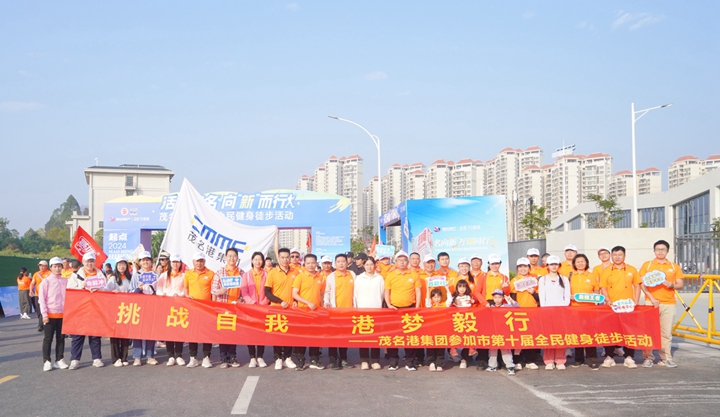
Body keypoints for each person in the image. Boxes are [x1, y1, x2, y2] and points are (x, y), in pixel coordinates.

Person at [639, 239, 683, 368]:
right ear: (654, 251)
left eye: (663, 249)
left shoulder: (674, 266)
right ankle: (648, 357)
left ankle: (665, 358)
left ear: (667, 251)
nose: (660, 252)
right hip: (651, 303)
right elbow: (642, 284)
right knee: (649, 331)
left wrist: (672, 285)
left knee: (666, 333)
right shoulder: (647, 265)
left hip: (669, 303)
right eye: (657, 249)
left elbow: (680, 284)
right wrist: (652, 298)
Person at [599, 246, 641, 369]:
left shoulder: (631, 269)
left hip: (628, 307)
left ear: (624, 256)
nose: (617, 257)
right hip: (612, 307)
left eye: (620, 255)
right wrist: (607, 300)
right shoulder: (606, 271)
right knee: (610, 332)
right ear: (611, 256)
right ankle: (609, 357)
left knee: (629, 332)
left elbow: (637, 286)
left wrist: (636, 300)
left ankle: (629, 357)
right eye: (615, 255)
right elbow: (603, 287)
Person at [67, 252, 107, 369]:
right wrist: (82, 287)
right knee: (78, 335)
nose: (90, 263)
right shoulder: (76, 275)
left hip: (95, 308)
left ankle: (97, 358)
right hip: (80, 309)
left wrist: (98, 289)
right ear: (83, 262)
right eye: (87, 261)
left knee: (95, 335)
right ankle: (75, 359)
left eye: (92, 261)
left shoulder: (100, 274)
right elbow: (70, 290)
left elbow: (106, 288)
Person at [384, 251, 421, 371]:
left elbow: (418, 291)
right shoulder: (390, 275)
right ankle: (393, 362)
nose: (402, 262)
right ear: (395, 262)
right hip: (394, 309)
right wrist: (389, 305)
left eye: (404, 260)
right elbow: (387, 291)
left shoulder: (414, 274)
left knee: (410, 335)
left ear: (408, 262)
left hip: (410, 308)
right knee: (393, 335)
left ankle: (409, 362)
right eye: (399, 260)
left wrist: (417, 307)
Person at [265, 248, 300, 370]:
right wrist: (280, 301)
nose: (285, 260)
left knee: (289, 334)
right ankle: (278, 358)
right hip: (276, 308)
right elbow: (267, 292)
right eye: (282, 257)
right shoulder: (272, 273)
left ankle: (288, 358)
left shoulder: (296, 272)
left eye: (287, 257)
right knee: (277, 334)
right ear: (278, 258)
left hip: (291, 309)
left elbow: (298, 290)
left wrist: (295, 301)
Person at [292, 254, 326, 371]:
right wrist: (307, 302)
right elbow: (294, 294)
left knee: (315, 337)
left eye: (313, 263)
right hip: (302, 311)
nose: (311, 265)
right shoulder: (300, 276)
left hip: (316, 312)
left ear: (316, 263)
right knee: (301, 337)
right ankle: (300, 361)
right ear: (304, 264)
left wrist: (322, 307)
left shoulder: (321, 277)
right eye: (308, 263)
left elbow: (321, 294)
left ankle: (314, 359)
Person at [212, 248, 244, 369]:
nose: (232, 258)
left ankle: (232, 357)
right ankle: (223, 358)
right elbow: (213, 289)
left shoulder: (241, 273)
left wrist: (240, 301)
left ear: (237, 258)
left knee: (233, 333)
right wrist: (220, 291)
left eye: (234, 256)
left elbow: (244, 291)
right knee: (223, 333)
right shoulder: (220, 272)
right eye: (229, 256)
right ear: (225, 257)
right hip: (223, 307)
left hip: (235, 308)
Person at [324, 253, 356, 370]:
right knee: (333, 336)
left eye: (343, 261)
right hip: (335, 312)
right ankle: (332, 360)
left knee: (344, 337)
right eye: (338, 262)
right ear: (335, 264)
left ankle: (343, 359)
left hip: (348, 312)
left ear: (347, 263)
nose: (341, 264)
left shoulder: (352, 274)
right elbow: (327, 291)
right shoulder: (331, 277)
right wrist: (326, 302)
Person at [538, 255, 570, 370]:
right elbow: (542, 297)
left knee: (560, 335)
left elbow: (567, 296)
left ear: (559, 265)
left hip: (561, 311)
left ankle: (560, 360)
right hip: (547, 311)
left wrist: (563, 307)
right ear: (547, 266)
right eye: (551, 264)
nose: (554, 266)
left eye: (556, 264)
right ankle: (549, 360)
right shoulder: (543, 280)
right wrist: (545, 310)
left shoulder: (564, 279)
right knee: (548, 335)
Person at [128, 251, 160, 366]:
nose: (146, 262)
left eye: (147, 260)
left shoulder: (156, 275)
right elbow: (130, 291)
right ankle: (137, 357)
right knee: (138, 331)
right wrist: (138, 289)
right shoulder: (136, 275)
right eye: (143, 260)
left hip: (152, 306)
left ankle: (150, 356)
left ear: (151, 262)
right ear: (140, 262)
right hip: (139, 307)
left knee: (151, 331)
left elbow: (160, 291)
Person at [184, 251, 215, 368]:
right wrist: (187, 295)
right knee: (193, 333)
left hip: (206, 309)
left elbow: (213, 291)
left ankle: (206, 357)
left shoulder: (210, 273)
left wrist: (213, 305)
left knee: (207, 333)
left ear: (204, 262)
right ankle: (193, 358)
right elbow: (186, 288)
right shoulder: (188, 274)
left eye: (201, 261)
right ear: (193, 262)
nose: (199, 263)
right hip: (193, 308)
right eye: (197, 261)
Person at [569, 253, 600, 369]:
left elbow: (596, 291)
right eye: (578, 262)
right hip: (575, 309)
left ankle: (592, 359)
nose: (580, 263)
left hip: (589, 310)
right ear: (574, 264)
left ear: (586, 262)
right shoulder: (571, 276)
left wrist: (595, 298)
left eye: (582, 261)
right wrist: (570, 296)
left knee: (589, 334)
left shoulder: (592, 276)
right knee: (577, 334)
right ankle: (578, 359)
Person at [353, 256, 385, 370]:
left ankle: (375, 360)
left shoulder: (379, 278)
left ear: (374, 266)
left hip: (376, 310)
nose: (369, 267)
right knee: (364, 337)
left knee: (375, 336)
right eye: (367, 265)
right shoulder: (359, 278)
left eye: (371, 264)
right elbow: (355, 294)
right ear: (364, 266)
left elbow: (382, 294)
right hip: (362, 310)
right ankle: (364, 360)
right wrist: (356, 308)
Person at [155, 254, 186, 366]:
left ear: (180, 264)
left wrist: (180, 295)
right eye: (173, 262)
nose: (175, 264)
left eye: (177, 262)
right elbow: (158, 290)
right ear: (170, 263)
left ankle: (179, 355)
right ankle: (170, 356)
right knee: (168, 332)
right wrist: (162, 294)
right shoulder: (163, 276)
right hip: (167, 307)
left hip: (179, 307)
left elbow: (186, 291)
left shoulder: (184, 276)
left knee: (178, 331)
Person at [39, 257, 69, 371]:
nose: (57, 269)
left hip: (62, 314)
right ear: (51, 268)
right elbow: (42, 299)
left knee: (61, 338)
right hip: (50, 314)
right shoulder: (46, 281)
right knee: (48, 339)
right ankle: (46, 361)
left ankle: (59, 359)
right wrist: (44, 314)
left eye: (59, 266)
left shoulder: (65, 281)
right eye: (55, 266)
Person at [510, 257, 540, 370]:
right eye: (520, 267)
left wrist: (533, 292)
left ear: (529, 267)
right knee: (518, 337)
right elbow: (513, 298)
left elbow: (540, 297)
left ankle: (530, 360)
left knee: (530, 337)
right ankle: (517, 360)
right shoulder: (514, 281)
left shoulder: (534, 279)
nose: (523, 269)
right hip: (519, 313)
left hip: (533, 311)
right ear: (517, 268)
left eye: (525, 266)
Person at [241, 252, 269, 368]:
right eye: (256, 259)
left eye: (260, 259)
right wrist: (252, 303)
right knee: (251, 333)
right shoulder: (246, 275)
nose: (258, 262)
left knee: (261, 333)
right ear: (252, 261)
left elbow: (269, 291)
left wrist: (263, 303)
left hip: (262, 307)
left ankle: (260, 357)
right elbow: (244, 292)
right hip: (250, 308)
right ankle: (252, 358)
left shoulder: (267, 274)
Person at [106, 255, 133, 367]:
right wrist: (112, 293)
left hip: (127, 309)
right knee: (115, 334)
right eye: (119, 265)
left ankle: (124, 357)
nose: (122, 267)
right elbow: (106, 291)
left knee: (125, 334)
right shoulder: (113, 279)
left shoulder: (130, 278)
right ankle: (115, 358)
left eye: (124, 264)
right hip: (115, 309)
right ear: (116, 266)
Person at [447, 279, 477, 368]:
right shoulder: (454, 296)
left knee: (470, 333)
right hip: (457, 318)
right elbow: (449, 305)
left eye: (464, 287)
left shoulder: (470, 296)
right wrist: (453, 302)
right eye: (460, 287)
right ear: (457, 288)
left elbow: (475, 300)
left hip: (467, 318)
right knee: (454, 334)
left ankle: (471, 348)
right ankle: (453, 349)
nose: (462, 289)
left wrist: (473, 301)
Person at [487, 289, 517, 375]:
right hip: (493, 331)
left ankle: (510, 366)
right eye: (495, 297)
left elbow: (517, 307)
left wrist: (511, 301)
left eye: (499, 297)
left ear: (503, 298)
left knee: (505, 349)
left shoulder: (506, 306)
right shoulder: (490, 308)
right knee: (493, 349)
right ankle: (492, 365)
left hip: (504, 332)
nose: (497, 299)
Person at [426, 288, 447, 372]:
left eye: (438, 297)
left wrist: (447, 287)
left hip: (442, 329)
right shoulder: (430, 305)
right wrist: (428, 289)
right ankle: (431, 363)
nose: (436, 299)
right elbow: (427, 300)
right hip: (431, 329)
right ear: (432, 298)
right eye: (434, 297)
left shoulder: (444, 305)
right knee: (431, 346)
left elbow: (449, 299)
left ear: (441, 297)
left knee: (440, 347)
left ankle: (440, 364)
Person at [29, 260, 51, 332]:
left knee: (43, 310)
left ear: (46, 266)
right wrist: (31, 290)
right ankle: (41, 323)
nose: (41, 267)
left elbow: (47, 282)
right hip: (37, 294)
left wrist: (40, 276)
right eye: (40, 266)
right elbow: (32, 283)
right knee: (38, 310)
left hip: (46, 295)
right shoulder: (36, 274)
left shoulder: (49, 273)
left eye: (42, 266)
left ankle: (41, 325)